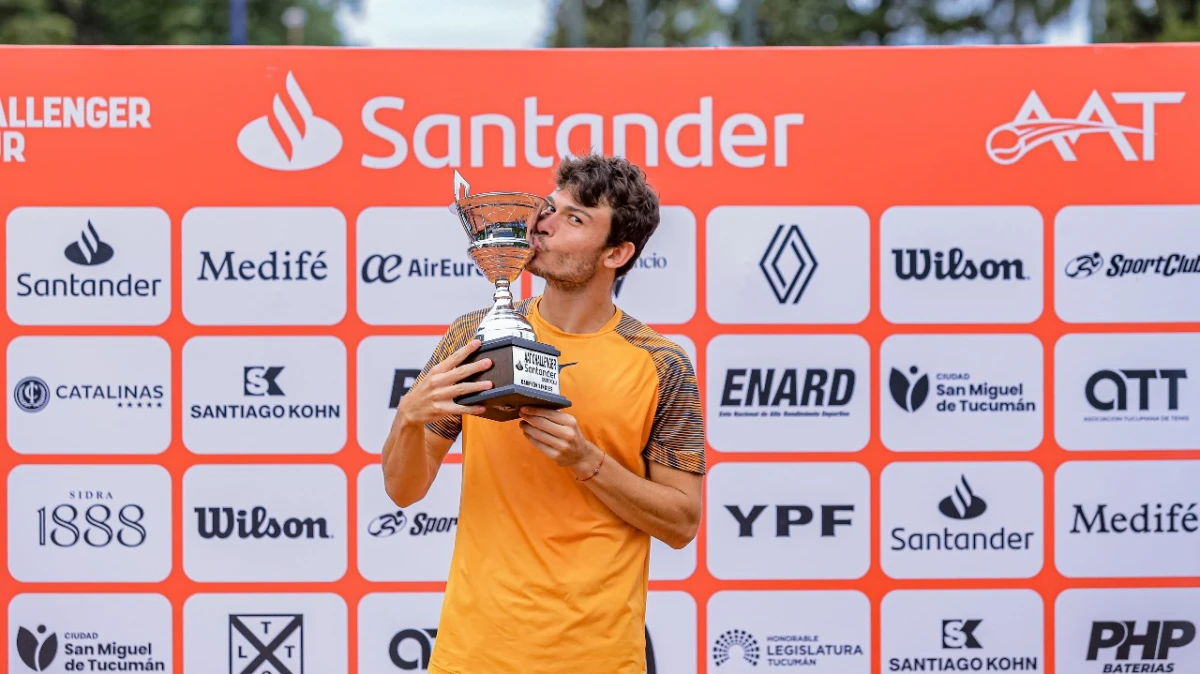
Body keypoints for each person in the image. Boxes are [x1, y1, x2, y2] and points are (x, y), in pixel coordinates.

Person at [381, 153, 706, 674]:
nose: (544, 226)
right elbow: (403, 489)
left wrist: (587, 461)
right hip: (474, 655)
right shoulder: (475, 337)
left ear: (616, 253)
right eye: (550, 209)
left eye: (575, 219)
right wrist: (410, 416)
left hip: (597, 658)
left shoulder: (660, 363)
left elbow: (681, 521)